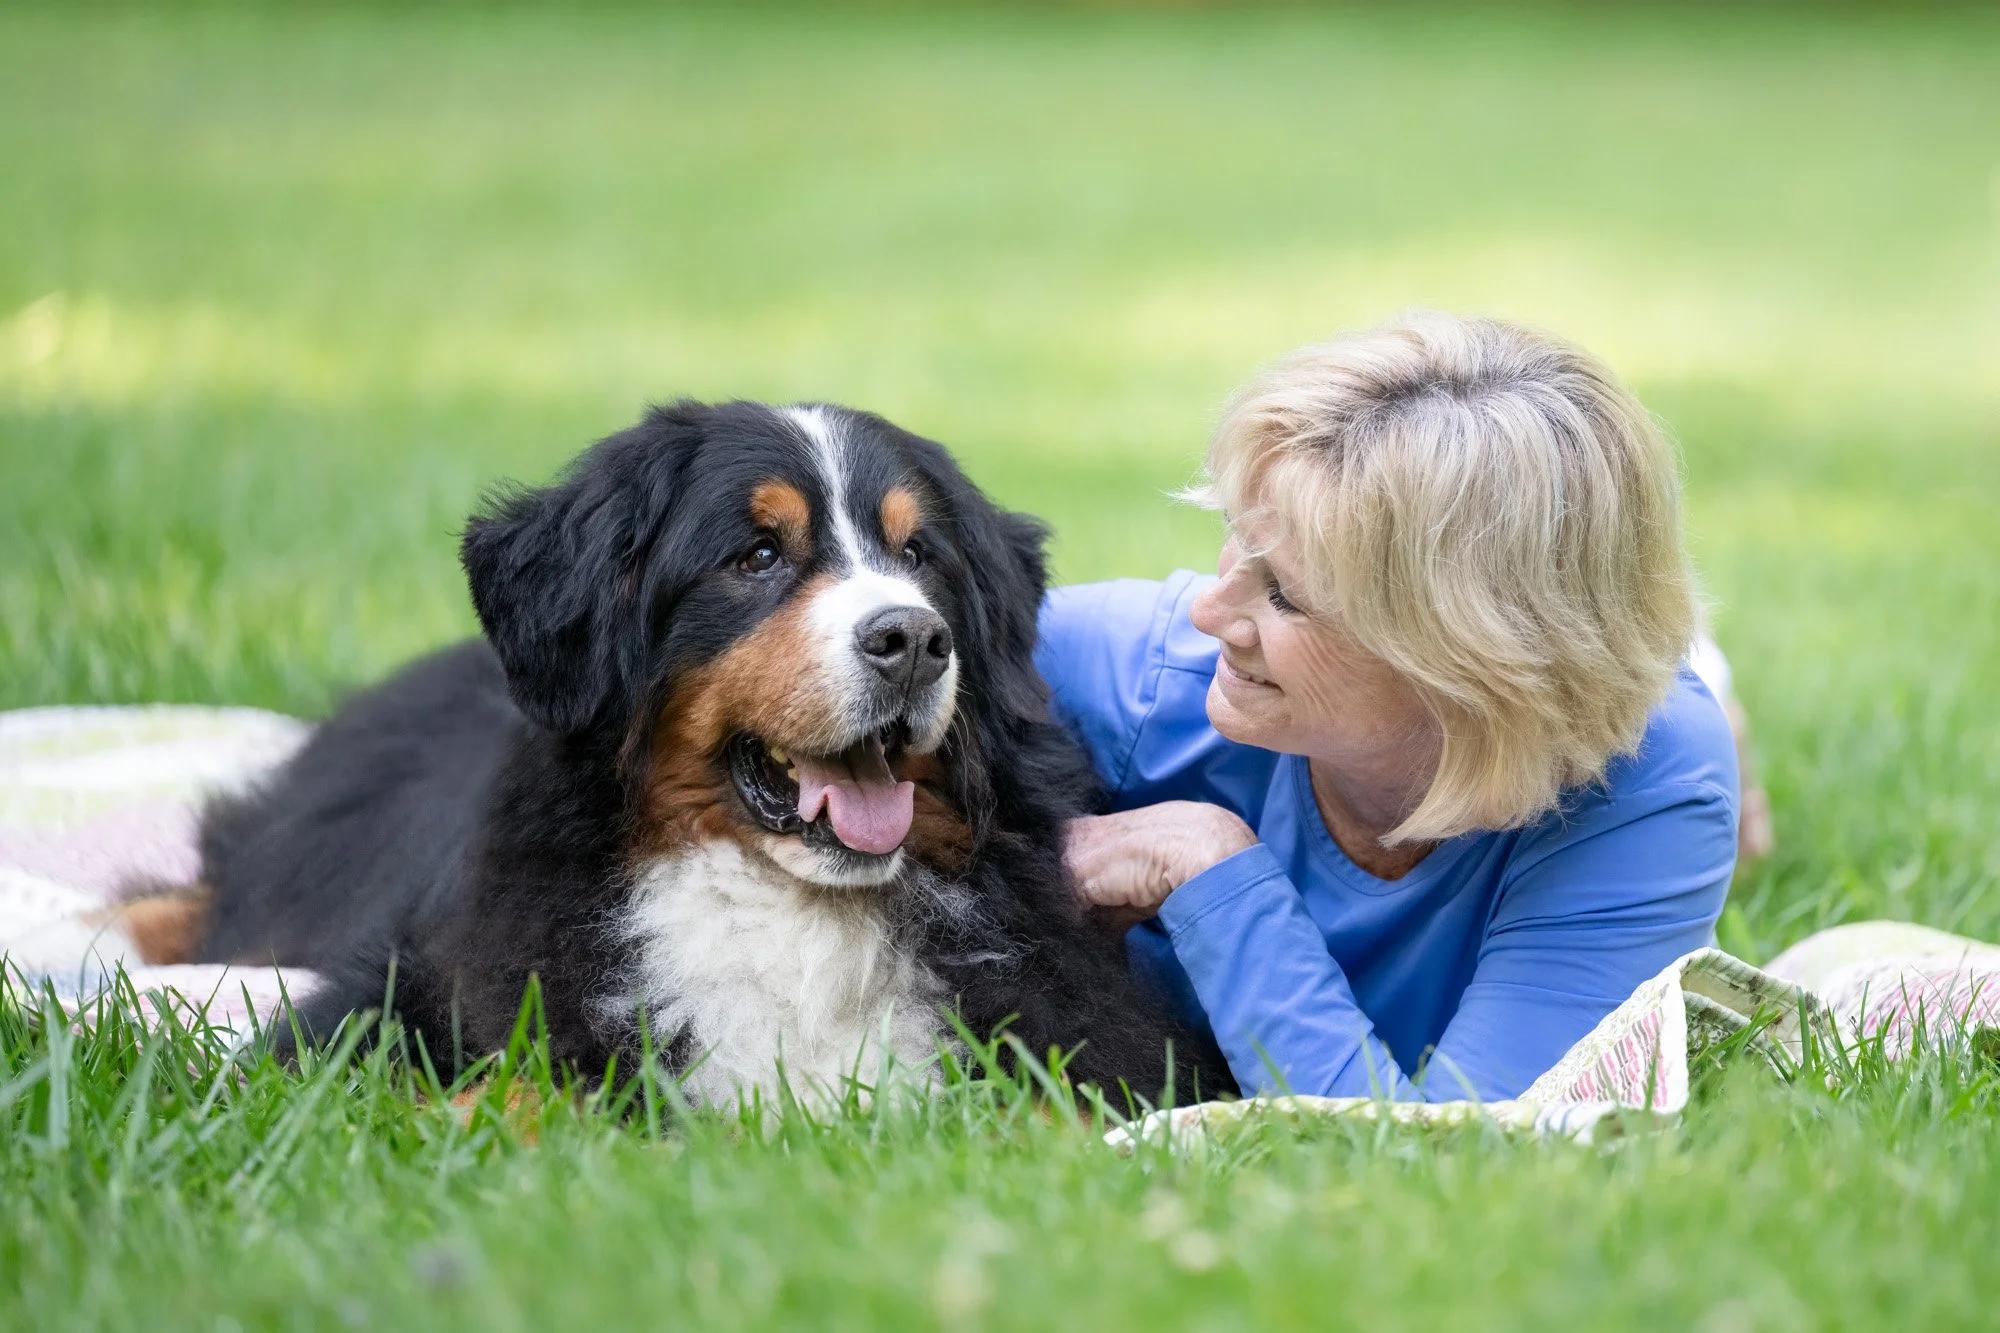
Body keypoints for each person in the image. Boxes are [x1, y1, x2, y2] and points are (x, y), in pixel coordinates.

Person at [1042, 311, 1740, 1102]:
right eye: (1238, 537)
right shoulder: (1143, 679)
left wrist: (1209, 865)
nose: (1211, 612)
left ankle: (1706, 676)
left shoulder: (1648, 783)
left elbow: (1451, 1151)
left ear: (1461, 667)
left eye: (1283, 595)